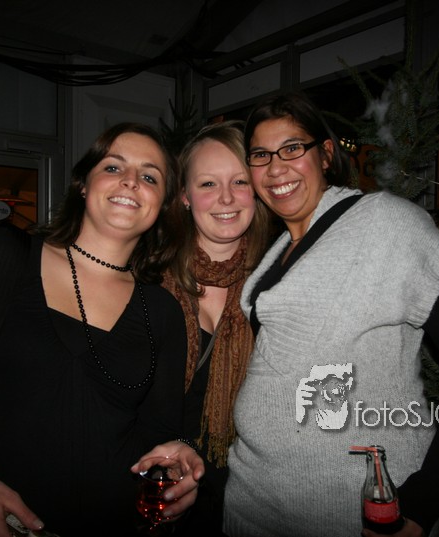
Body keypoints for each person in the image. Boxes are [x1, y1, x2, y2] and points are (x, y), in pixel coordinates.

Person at [0, 122, 205, 537]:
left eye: (149, 177)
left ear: (163, 204)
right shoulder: (2, 258)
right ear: (83, 185)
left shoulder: (162, 311)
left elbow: (161, 437)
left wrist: (179, 463)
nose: (131, 181)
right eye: (113, 167)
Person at [223, 92, 439, 537]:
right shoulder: (276, 250)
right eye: (261, 155)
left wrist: (430, 495)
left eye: (292, 148)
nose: (276, 168)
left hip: (352, 513)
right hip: (252, 502)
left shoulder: (386, 224)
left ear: (326, 154)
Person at [159, 121, 272, 535]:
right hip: (162, 482)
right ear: (185, 195)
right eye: (208, 183)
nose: (226, 197)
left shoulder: (276, 287)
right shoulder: (147, 279)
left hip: (246, 496)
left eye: (239, 181)